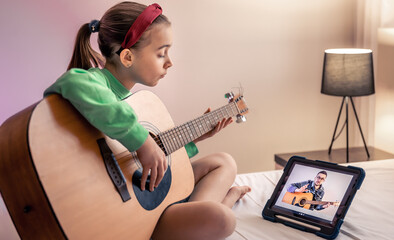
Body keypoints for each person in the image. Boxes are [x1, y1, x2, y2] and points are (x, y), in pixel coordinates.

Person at [44, 2, 250, 239]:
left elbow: (141, 162)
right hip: (131, 218)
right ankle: (217, 208)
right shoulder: (93, 83)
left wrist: (193, 138)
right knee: (224, 220)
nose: (169, 62)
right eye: (161, 53)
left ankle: (198, 215)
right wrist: (143, 142)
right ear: (128, 56)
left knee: (224, 161)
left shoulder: (135, 104)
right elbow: (73, 81)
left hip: (149, 197)